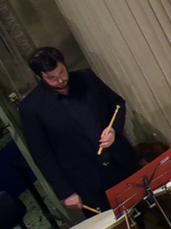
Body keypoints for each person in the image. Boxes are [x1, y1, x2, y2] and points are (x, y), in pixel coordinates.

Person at [17, 47, 139, 212]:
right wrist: (67, 192)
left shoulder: (86, 78)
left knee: (141, 208)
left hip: (119, 160)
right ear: (39, 77)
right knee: (115, 226)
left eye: (61, 72)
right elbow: (42, 155)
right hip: (88, 180)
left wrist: (114, 131)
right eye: (51, 78)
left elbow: (117, 104)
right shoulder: (32, 108)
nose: (60, 80)